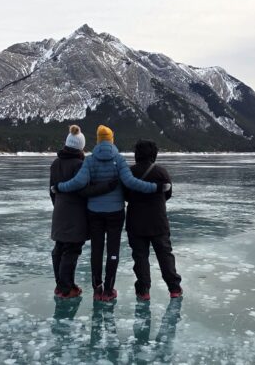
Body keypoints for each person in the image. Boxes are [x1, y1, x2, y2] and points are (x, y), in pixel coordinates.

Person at [52, 125, 171, 302]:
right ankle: (108, 290)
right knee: (113, 251)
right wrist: (157, 188)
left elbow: (77, 183)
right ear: (112, 139)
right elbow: (132, 183)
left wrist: (59, 187)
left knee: (97, 250)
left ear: (98, 140)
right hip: (115, 212)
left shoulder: (90, 161)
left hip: (94, 212)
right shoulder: (119, 159)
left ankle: (96, 289)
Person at [49, 125, 119, 298]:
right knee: (71, 250)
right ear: (81, 146)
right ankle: (66, 288)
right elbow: (84, 190)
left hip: (59, 211)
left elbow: (51, 190)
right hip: (75, 214)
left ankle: (61, 285)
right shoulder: (80, 164)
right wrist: (107, 187)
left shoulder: (56, 163)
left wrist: (57, 205)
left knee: (59, 248)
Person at [124, 139, 182, 301]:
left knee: (140, 257)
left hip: (135, 222)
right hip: (158, 222)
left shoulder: (129, 173)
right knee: (165, 255)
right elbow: (167, 195)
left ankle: (143, 290)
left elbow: (125, 195)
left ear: (137, 154)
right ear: (154, 155)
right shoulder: (161, 172)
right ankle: (174, 288)